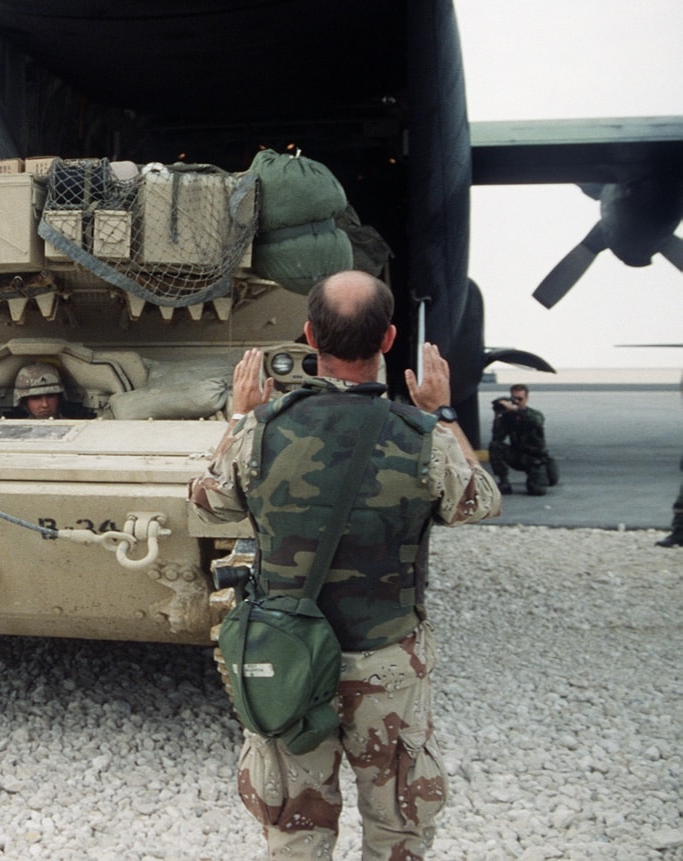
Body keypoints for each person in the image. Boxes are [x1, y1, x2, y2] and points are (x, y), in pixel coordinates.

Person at [188, 270, 501, 861]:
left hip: (289, 657)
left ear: (310, 336)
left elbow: (210, 501)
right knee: (398, 825)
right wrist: (446, 413)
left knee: (296, 828)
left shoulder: (261, 430)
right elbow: (478, 502)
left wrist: (238, 417)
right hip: (385, 656)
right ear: (388, 340)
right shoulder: (421, 435)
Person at [488, 383, 558, 496]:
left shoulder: (535, 414)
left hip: (535, 459)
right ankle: (504, 482)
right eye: (513, 398)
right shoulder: (508, 417)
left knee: (537, 491)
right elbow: (497, 438)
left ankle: (546, 475)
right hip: (518, 456)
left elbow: (536, 422)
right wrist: (497, 416)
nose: (516, 402)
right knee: (495, 446)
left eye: (519, 399)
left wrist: (515, 410)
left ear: (526, 399)